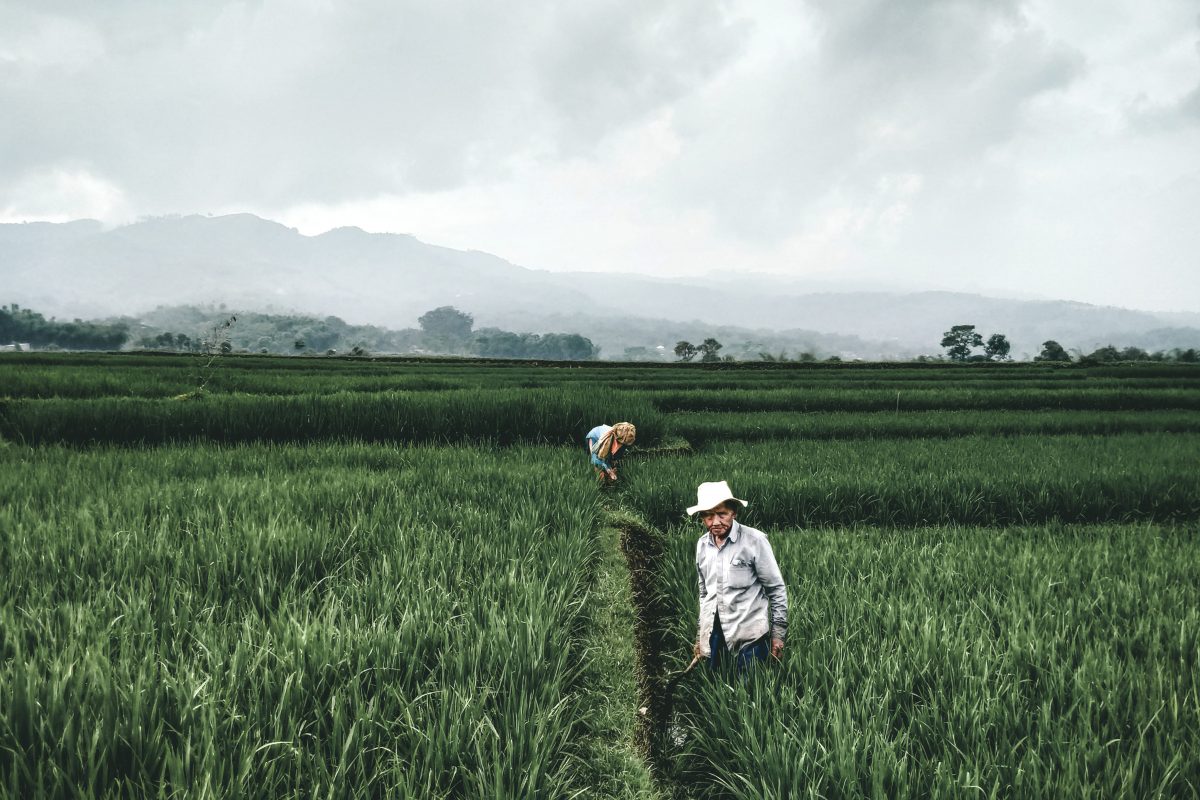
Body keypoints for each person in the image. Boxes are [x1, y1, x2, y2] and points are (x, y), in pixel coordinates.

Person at [689, 480, 788, 671]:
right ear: (702, 518)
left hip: (751, 637)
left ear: (734, 512)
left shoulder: (754, 541)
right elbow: (704, 594)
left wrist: (778, 635)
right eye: (708, 516)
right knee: (716, 683)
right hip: (715, 636)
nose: (715, 522)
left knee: (751, 687)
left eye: (722, 514)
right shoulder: (702, 545)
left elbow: (776, 589)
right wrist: (700, 637)